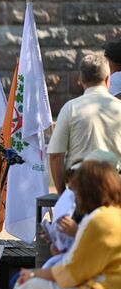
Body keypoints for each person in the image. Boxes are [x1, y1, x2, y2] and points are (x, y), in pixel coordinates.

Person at [0, 160, 121, 289]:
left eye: (76, 191)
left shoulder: (99, 221)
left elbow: (73, 272)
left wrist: (34, 274)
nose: (75, 197)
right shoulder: (112, 215)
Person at [47, 54, 121, 194]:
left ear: (80, 80)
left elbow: (56, 155)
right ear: (107, 80)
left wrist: (63, 194)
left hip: (80, 190)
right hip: (114, 188)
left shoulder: (70, 108)